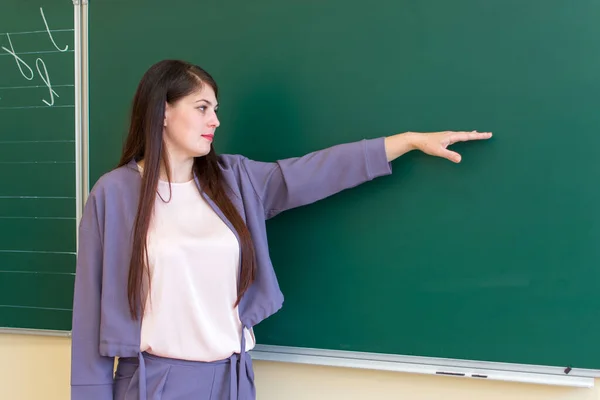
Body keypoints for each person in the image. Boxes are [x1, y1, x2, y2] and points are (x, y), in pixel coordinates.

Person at [70, 59, 492, 400]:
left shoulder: (234, 179)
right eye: (202, 107)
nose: (215, 120)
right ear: (163, 110)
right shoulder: (115, 193)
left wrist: (407, 141)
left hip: (231, 380)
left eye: (216, 109)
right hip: (154, 383)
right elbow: (89, 309)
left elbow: (313, 173)